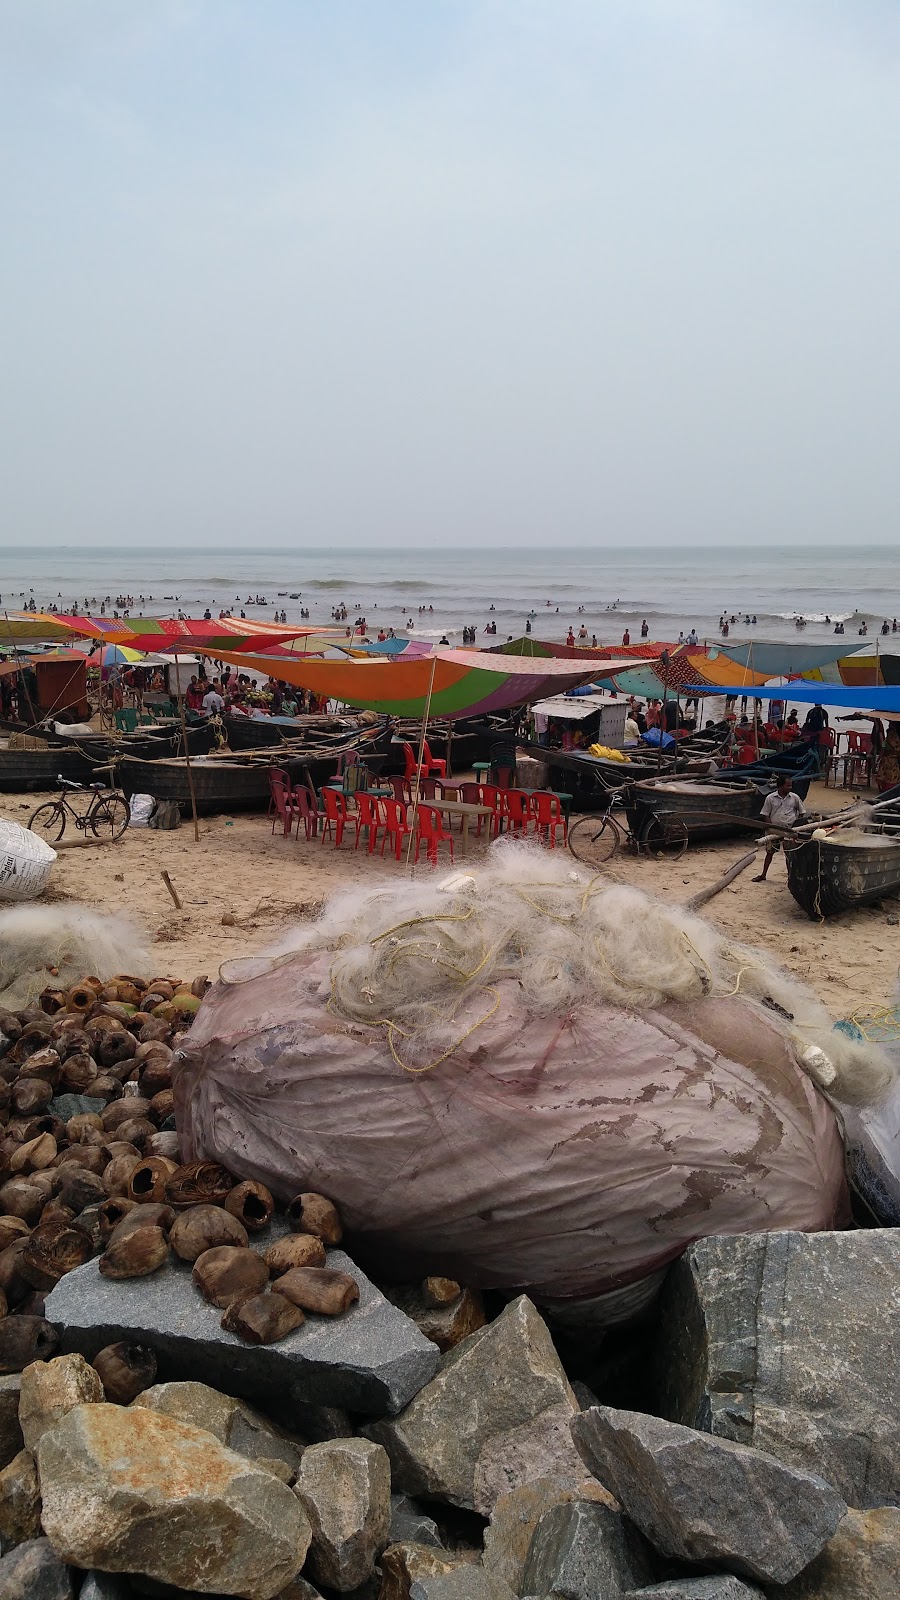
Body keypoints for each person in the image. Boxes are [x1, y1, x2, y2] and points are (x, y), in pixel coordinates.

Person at [752, 777, 806, 882]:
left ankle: (792, 877)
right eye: (788, 785)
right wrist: (771, 827)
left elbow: (802, 812)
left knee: (790, 854)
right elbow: (765, 814)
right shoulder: (770, 798)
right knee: (770, 852)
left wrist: (796, 825)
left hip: (790, 831)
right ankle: (763, 874)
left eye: (791, 785)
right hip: (774, 831)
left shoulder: (794, 797)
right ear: (780, 786)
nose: (790, 787)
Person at [876, 725, 900, 791]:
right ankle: (893, 789)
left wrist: (878, 760)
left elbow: (882, 752)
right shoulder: (897, 742)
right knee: (894, 776)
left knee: (884, 775)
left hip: (886, 761)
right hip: (894, 761)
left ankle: (885, 788)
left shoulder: (886, 742)